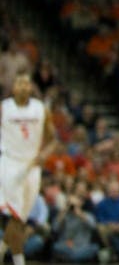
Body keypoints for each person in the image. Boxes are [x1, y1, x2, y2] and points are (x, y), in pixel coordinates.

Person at [0, 73, 57, 265]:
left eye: (27, 83)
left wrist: (45, 153)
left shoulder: (41, 109)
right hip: (10, 163)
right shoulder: (4, 108)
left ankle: (6, 251)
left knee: (20, 219)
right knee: (15, 214)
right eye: (19, 83)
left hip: (32, 166)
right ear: (13, 87)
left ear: (32, 87)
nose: (24, 87)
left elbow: (53, 139)